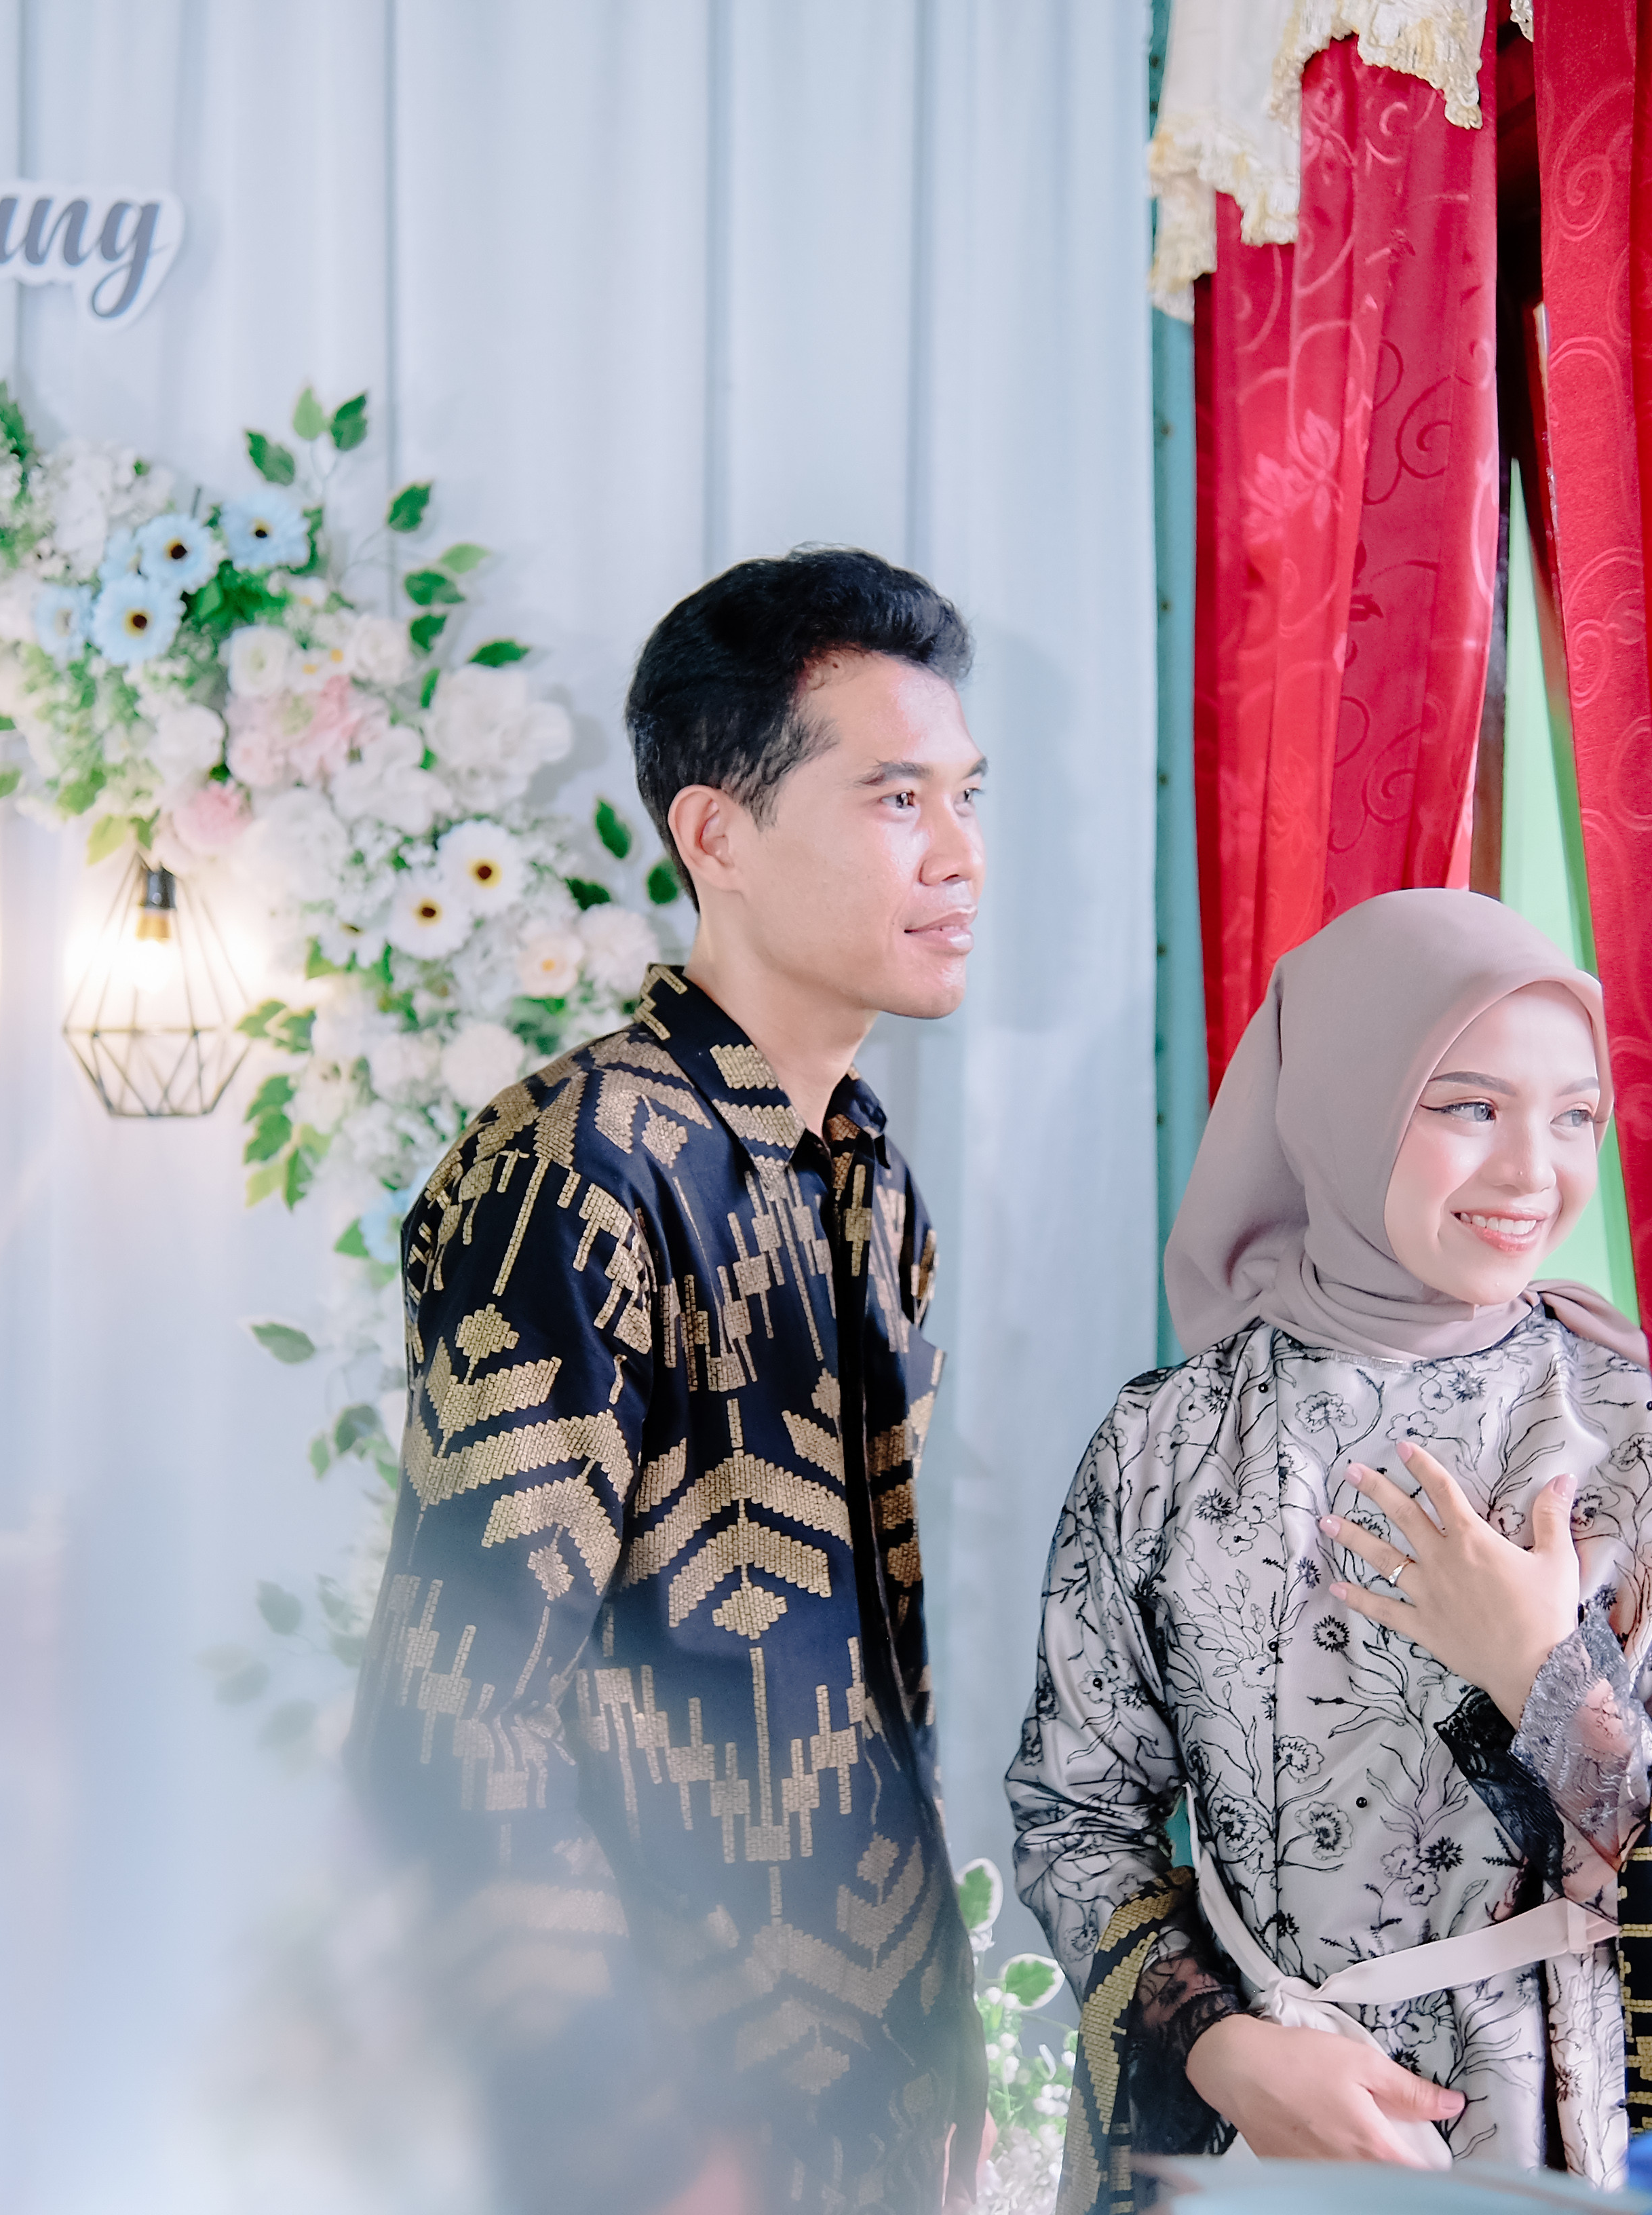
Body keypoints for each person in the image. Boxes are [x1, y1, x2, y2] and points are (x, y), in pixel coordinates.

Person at [346, 548, 993, 2215]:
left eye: (966, 796)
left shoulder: (872, 1182)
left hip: (874, 2109)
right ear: (718, 834)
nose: (961, 855)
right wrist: (638, 2129)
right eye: (897, 798)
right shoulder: (577, 1169)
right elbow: (453, 1726)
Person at [1007, 890, 1652, 2210]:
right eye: (1469, 1106)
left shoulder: (1643, 1433)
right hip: (1256, 2135)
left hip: (1568, 2138)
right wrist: (1225, 2051)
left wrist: (1544, 1676)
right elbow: (1074, 1813)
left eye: (1575, 1116)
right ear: (1342, 1103)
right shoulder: (1167, 1444)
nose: (1533, 1172)